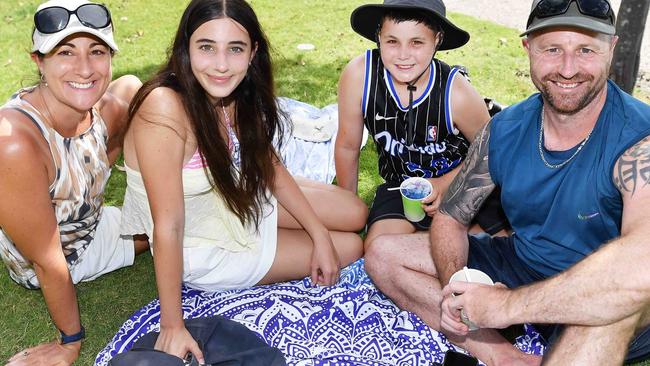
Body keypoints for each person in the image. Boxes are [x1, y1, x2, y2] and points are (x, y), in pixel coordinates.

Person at [366, 0, 650, 364]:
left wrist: (505, 307)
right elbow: (451, 217)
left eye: (585, 50)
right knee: (383, 253)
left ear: (610, 49)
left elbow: (640, 262)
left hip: (607, 289)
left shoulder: (638, 140)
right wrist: (461, 291)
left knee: (602, 313)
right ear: (527, 48)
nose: (567, 69)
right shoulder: (504, 129)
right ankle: (505, 356)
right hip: (525, 265)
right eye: (552, 49)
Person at [120, 0, 365, 362]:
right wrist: (173, 325)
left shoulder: (231, 91)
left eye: (235, 49)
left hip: (232, 199)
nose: (221, 65)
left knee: (356, 213)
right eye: (206, 47)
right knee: (353, 248)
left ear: (252, 53)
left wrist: (318, 234)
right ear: (185, 48)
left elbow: (268, 163)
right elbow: (167, 224)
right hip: (204, 245)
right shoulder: (163, 107)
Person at [0, 0, 145, 364]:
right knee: (189, 219)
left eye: (96, 51)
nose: (84, 68)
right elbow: (49, 262)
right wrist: (69, 342)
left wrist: (95, 175)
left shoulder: (103, 107)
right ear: (38, 61)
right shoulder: (13, 141)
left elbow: (109, 132)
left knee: (132, 89)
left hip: (89, 219)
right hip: (65, 254)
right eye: (66, 52)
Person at [335, 0, 509, 253]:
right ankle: (451, 246)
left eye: (417, 42)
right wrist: (346, 208)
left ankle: (458, 243)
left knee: (503, 242)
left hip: (462, 181)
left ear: (437, 40)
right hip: (401, 186)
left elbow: (492, 151)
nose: (403, 54)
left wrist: (446, 183)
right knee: (377, 248)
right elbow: (348, 146)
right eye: (392, 41)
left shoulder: (456, 93)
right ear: (378, 37)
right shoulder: (359, 75)